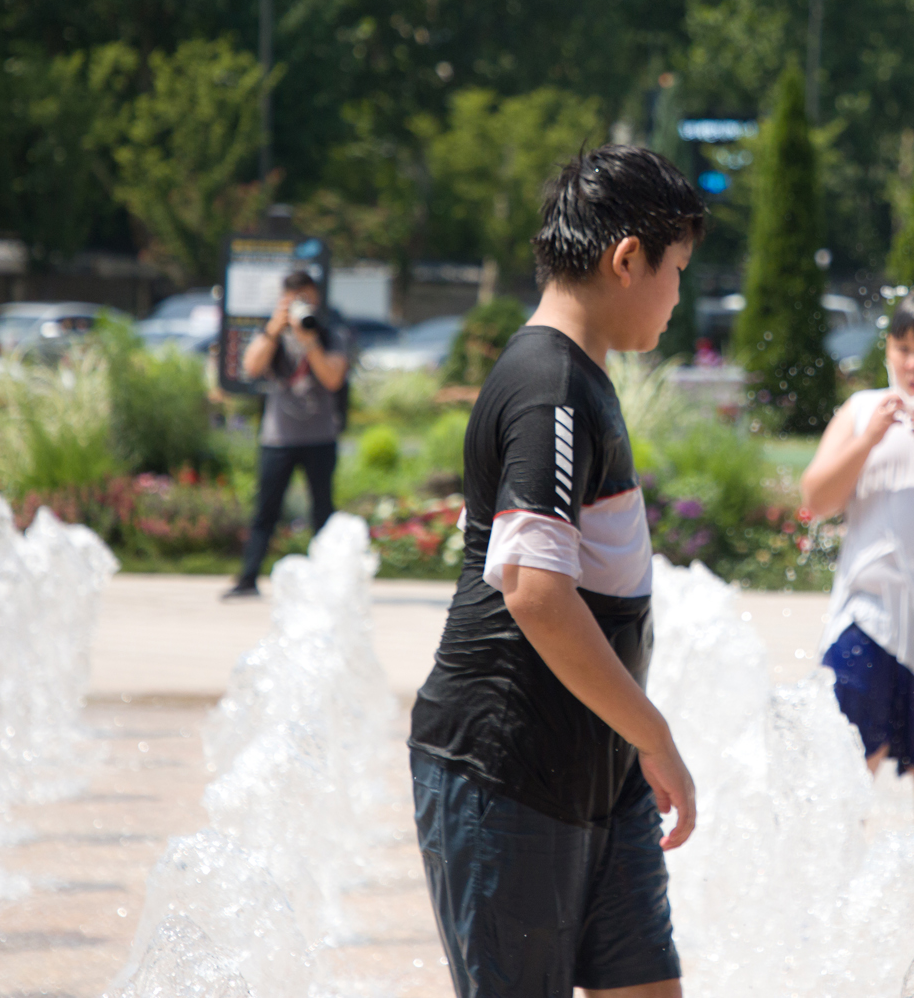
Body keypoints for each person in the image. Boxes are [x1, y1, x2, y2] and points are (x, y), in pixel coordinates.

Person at [409, 144, 708, 998]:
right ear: (627, 259)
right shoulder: (550, 385)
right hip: (505, 769)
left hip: (592, 769)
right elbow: (536, 592)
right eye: (676, 270)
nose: (678, 296)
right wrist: (656, 733)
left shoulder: (577, 376)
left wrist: (630, 743)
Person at [801, 287, 914, 870]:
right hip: (864, 618)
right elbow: (814, 498)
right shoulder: (860, 411)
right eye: (902, 348)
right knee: (848, 769)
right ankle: (832, 902)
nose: (913, 363)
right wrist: (870, 438)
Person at [225, 269, 352, 599]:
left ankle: (326, 581)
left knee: (322, 511)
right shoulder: (273, 334)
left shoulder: (330, 333)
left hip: (320, 436)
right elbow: (251, 368)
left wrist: (308, 340)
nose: (300, 306)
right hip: (278, 437)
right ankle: (247, 578)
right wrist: (273, 328)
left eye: (306, 298)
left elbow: (332, 379)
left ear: (317, 298)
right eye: (293, 300)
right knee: (265, 510)